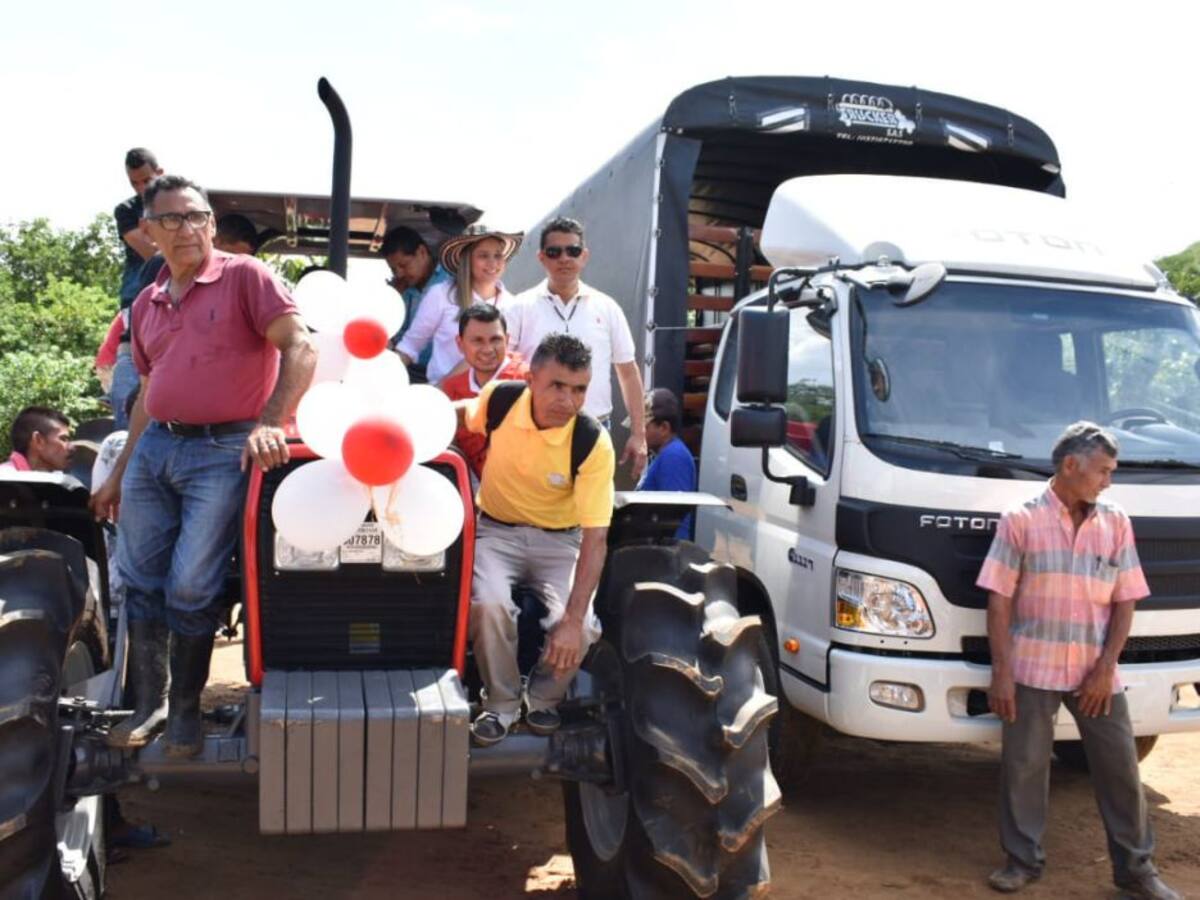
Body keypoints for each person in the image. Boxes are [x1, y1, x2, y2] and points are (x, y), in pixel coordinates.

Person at [91, 174, 317, 759]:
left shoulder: (246, 276)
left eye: (198, 217)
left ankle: (187, 711)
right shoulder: (146, 301)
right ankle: (151, 705)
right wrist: (118, 473)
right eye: (173, 219)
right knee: (140, 580)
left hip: (224, 449)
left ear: (212, 225)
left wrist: (270, 421)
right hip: (156, 449)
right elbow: (147, 391)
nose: (188, 229)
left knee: (191, 584)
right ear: (149, 231)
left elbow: (301, 345)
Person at [977, 422, 1178, 900]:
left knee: (1121, 769)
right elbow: (999, 599)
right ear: (1072, 466)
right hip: (1031, 668)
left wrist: (1107, 667)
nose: (1109, 480)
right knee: (1023, 767)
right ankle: (1022, 862)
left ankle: (1136, 871)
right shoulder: (1020, 518)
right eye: (1104, 470)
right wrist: (1002, 673)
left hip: (1095, 673)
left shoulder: (1115, 520)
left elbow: (1126, 599)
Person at [457, 333, 614, 746]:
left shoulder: (592, 442)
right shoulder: (500, 400)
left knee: (582, 629)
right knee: (489, 604)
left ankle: (542, 699)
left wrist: (573, 619)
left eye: (579, 389)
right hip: (495, 531)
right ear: (531, 379)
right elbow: (464, 416)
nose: (568, 400)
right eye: (557, 386)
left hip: (560, 543)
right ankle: (502, 705)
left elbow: (596, 539)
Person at [505, 217, 648, 477]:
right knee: (539, 512)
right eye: (554, 252)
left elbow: (628, 372)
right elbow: (503, 367)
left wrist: (639, 435)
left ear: (584, 256)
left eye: (572, 250)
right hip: (536, 430)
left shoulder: (607, 307)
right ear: (542, 258)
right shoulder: (519, 307)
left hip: (594, 427)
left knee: (591, 513)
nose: (564, 258)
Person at [397, 226, 521, 385]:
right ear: (467, 259)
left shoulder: (514, 305)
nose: (492, 263)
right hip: (445, 400)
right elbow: (409, 347)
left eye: (498, 255)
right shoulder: (441, 295)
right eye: (483, 255)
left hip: (494, 400)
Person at [440, 303, 528, 479]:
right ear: (460, 344)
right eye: (477, 341)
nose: (488, 349)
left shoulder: (529, 382)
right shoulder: (452, 389)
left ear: (507, 340)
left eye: (495, 340)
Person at [112, 149, 165, 431]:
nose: (142, 188)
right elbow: (153, 253)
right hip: (138, 300)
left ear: (161, 173)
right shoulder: (127, 211)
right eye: (135, 183)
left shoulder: (181, 204)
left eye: (147, 180)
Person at [380, 226, 453, 380]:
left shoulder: (452, 280)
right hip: (410, 368)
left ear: (421, 252)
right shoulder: (402, 289)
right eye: (394, 269)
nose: (399, 273)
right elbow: (400, 335)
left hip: (446, 372)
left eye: (404, 265)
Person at [634, 388, 696, 539]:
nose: (638, 433)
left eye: (644, 427)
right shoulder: (663, 455)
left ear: (664, 428)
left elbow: (674, 521)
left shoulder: (674, 456)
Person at [1, 406, 72, 472]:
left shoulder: (56, 480)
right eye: (63, 439)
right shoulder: (5, 478)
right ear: (38, 440)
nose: (71, 447)